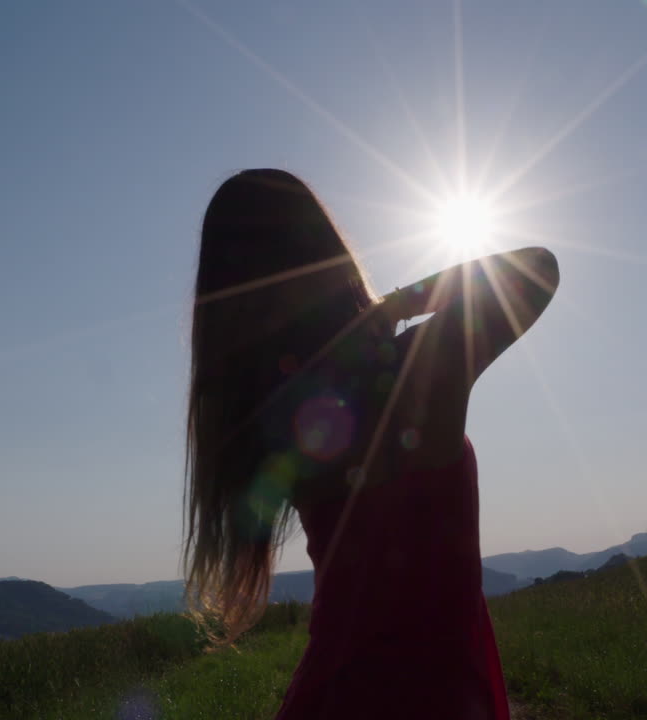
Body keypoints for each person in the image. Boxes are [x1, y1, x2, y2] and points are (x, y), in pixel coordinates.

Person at [182, 168, 559, 719]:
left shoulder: (277, 419)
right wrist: (398, 305)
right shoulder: (420, 366)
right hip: (439, 696)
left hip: (335, 694)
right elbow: (537, 269)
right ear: (328, 255)